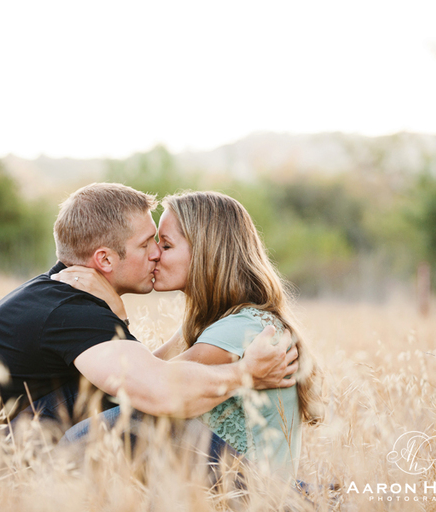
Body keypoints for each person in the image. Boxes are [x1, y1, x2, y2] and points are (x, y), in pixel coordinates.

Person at [0, 183, 298, 460]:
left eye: (163, 244)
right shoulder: (72, 311)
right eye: (148, 244)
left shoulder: (64, 295)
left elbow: (143, 375)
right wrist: (244, 374)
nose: (155, 254)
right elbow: (159, 389)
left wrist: (117, 313)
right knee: (131, 419)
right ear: (105, 260)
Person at [56, 191, 323, 481]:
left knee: (103, 429)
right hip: (222, 484)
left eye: (166, 245)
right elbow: (133, 377)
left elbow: (145, 391)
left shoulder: (241, 329)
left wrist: (111, 307)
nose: (155, 254)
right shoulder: (213, 324)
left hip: (256, 496)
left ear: (206, 252)